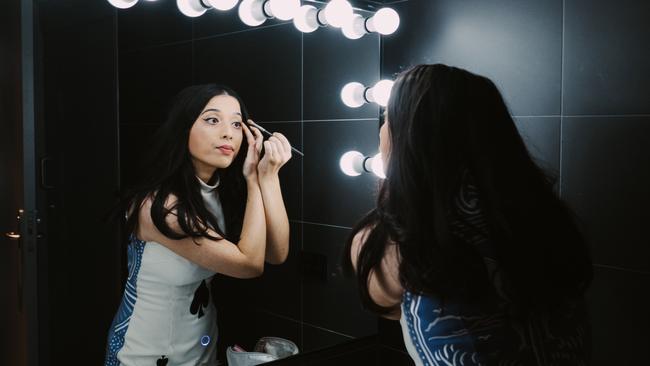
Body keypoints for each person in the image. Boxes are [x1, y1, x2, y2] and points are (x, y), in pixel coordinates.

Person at [344, 64, 593, 365]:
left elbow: (381, 297)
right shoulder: (543, 222)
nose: (382, 131)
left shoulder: (397, 244)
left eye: (387, 120)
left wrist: (400, 182)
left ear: (410, 139)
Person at [104, 84, 292, 366]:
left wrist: (268, 177)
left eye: (237, 123)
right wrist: (254, 179)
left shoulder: (219, 190)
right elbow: (249, 264)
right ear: (183, 128)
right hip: (143, 354)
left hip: (202, 349)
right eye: (212, 120)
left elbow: (276, 253)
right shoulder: (159, 206)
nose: (228, 132)